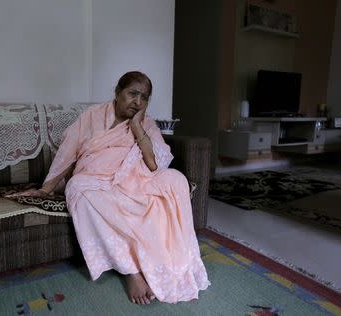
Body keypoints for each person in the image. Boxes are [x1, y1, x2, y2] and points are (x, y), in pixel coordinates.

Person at [11, 71, 210, 304]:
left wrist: (137, 126)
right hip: (96, 180)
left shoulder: (147, 124)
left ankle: (160, 263)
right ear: (117, 92)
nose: (137, 102)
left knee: (175, 179)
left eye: (144, 97)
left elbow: (154, 163)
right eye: (132, 94)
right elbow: (67, 153)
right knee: (77, 188)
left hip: (134, 181)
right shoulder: (92, 116)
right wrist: (47, 188)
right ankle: (131, 271)